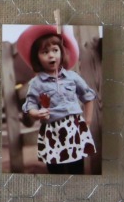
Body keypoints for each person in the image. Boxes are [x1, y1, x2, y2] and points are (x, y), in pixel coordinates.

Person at [18, 25, 96, 174]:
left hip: (74, 129)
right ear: (37, 58)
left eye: (55, 50)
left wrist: (87, 121)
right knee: (55, 168)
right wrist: (36, 113)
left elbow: (88, 96)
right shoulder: (37, 83)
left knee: (77, 166)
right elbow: (30, 105)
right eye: (45, 52)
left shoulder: (72, 77)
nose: (51, 55)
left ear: (62, 52)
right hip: (52, 131)